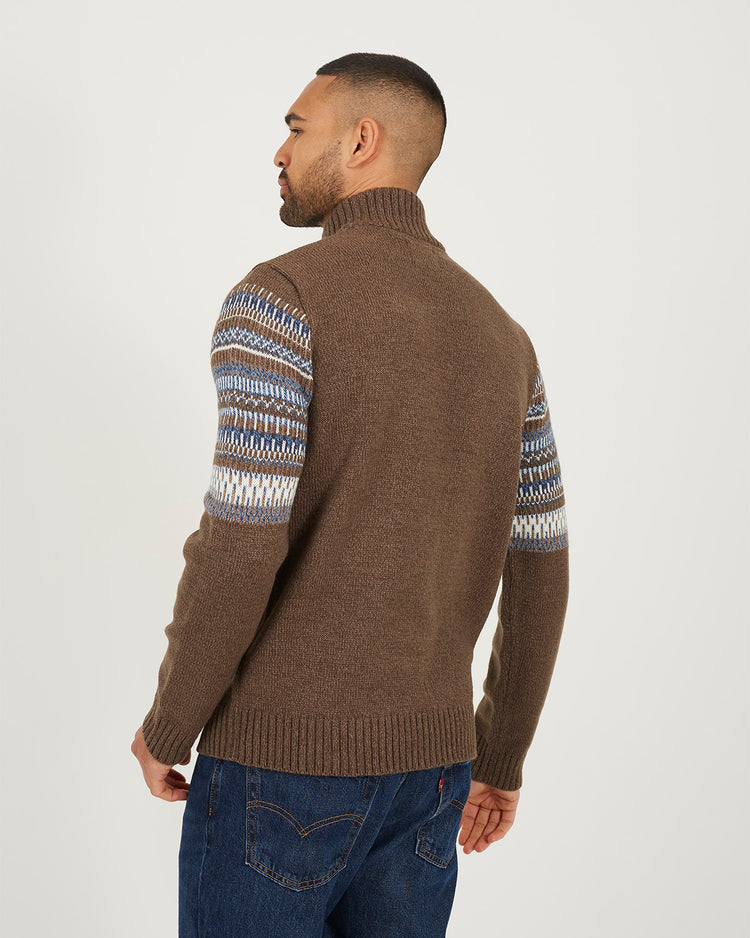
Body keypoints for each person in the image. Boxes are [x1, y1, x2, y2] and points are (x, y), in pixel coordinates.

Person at [131, 52, 570, 938]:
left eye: (297, 130)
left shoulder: (279, 301)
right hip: (433, 775)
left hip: (283, 764)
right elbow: (540, 564)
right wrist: (502, 756)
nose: (279, 153)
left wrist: (169, 723)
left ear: (362, 140)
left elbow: (241, 543)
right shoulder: (503, 336)